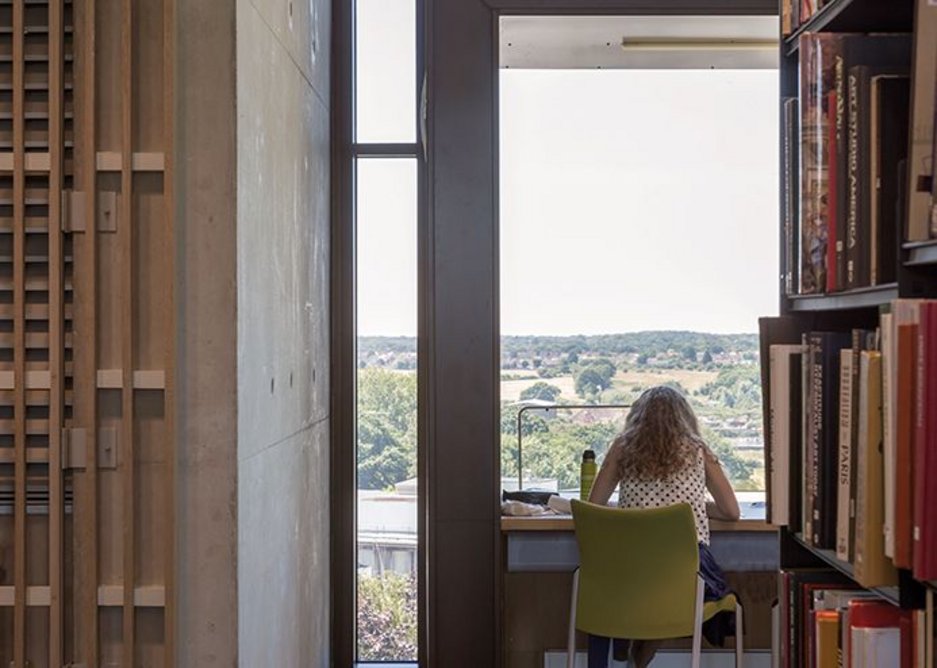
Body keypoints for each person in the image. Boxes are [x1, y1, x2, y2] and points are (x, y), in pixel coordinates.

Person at [586, 385, 741, 668]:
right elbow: (731, 511)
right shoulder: (698, 450)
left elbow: (594, 504)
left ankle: (631, 650)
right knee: (676, 583)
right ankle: (638, 658)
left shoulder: (622, 447)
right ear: (684, 418)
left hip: (626, 573)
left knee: (643, 583)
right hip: (682, 572)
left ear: (637, 417)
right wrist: (691, 507)